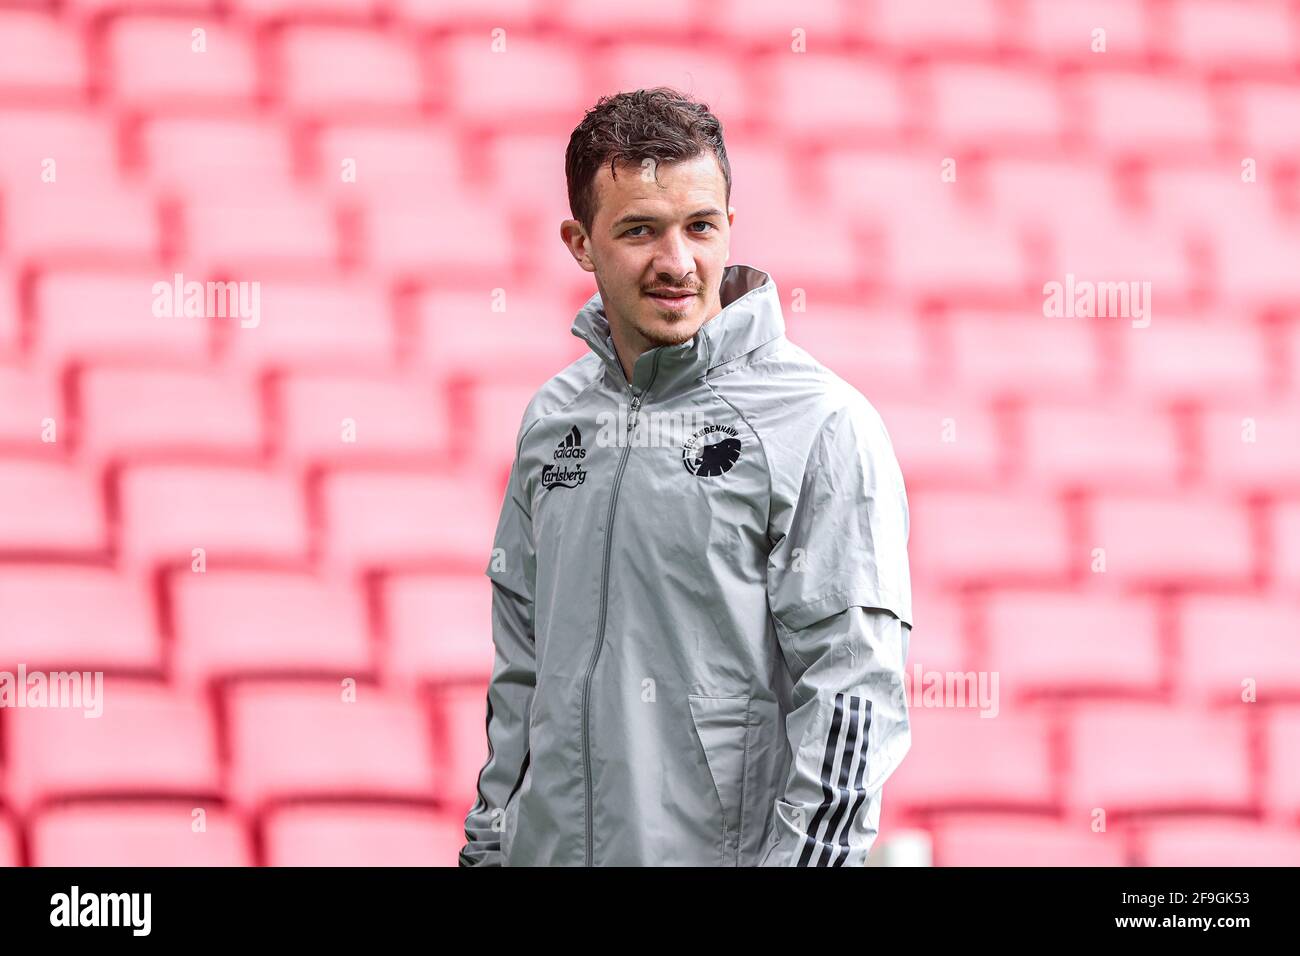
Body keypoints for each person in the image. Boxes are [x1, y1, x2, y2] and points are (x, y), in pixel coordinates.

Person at [459, 87, 912, 866]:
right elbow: (522, 676)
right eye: (640, 230)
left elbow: (852, 694)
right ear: (580, 242)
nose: (678, 262)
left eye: (701, 227)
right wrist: (490, 850)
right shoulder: (553, 421)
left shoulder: (822, 424)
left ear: (730, 227)